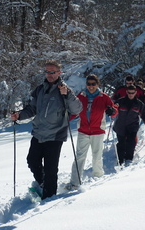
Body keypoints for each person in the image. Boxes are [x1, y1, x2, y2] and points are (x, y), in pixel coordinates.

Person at [10, 60, 82, 199]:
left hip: (55, 135)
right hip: (38, 133)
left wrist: (67, 94)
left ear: (59, 73)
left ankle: (49, 197)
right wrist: (19, 115)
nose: (49, 74)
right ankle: (43, 184)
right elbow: (32, 109)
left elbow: (77, 109)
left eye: (52, 72)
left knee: (51, 168)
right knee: (32, 161)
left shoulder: (64, 90)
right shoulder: (39, 90)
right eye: (47, 71)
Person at [66, 74, 118, 189]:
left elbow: (114, 110)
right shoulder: (81, 96)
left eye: (93, 84)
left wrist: (112, 110)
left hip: (98, 131)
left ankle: (98, 178)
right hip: (83, 130)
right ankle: (75, 182)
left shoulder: (103, 97)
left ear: (97, 84)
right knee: (79, 156)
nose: (91, 86)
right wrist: (66, 118)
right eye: (88, 84)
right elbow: (75, 111)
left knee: (97, 155)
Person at [113, 85, 145, 166]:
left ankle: (129, 159)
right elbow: (114, 108)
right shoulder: (120, 101)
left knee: (131, 142)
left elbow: (144, 114)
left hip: (132, 126)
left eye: (132, 93)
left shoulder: (139, 104)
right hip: (120, 125)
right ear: (127, 92)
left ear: (135, 93)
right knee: (121, 143)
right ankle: (120, 160)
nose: (131, 94)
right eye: (129, 93)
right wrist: (113, 108)